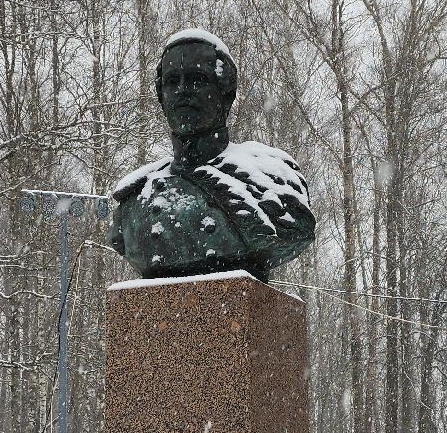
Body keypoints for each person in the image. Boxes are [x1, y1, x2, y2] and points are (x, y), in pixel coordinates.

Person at [109, 30, 316, 282]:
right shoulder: (134, 200)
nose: (182, 90)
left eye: (197, 79)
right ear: (162, 98)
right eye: (172, 81)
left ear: (226, 94)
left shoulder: (273, 180)